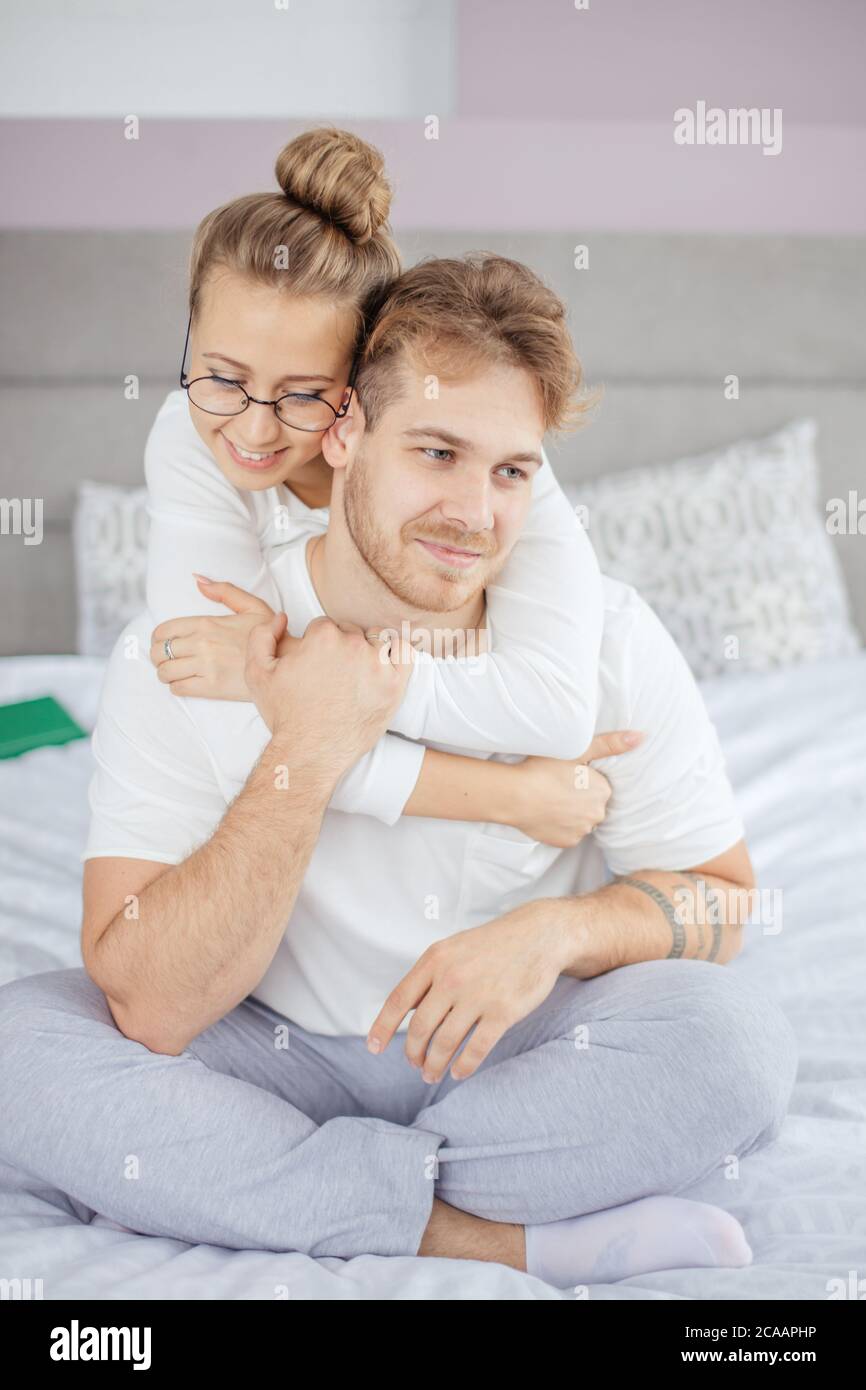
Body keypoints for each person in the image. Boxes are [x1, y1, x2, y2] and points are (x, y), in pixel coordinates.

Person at [0, 250, 798, 1291]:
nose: (475, 513)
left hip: (517, 1055)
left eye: (511, 470)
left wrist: (553, 931)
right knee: (22, 1053)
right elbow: (151, 1008)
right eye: (435, 451)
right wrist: (304, 746)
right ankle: (492, 1238)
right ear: (343, 434)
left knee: (734, 1046)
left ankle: (273, 1190)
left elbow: (723, 900)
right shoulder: (199, 648)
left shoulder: (604, 640)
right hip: (267, 1060)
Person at [141, 125, 608, 837]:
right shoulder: (186, 440)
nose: (255, 432)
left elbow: (559, 709)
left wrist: (285, 674)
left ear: (363, 391)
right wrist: (511, 798)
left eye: (303, 395)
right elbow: (235, 738)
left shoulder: (483, 465)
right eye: (223, 377)